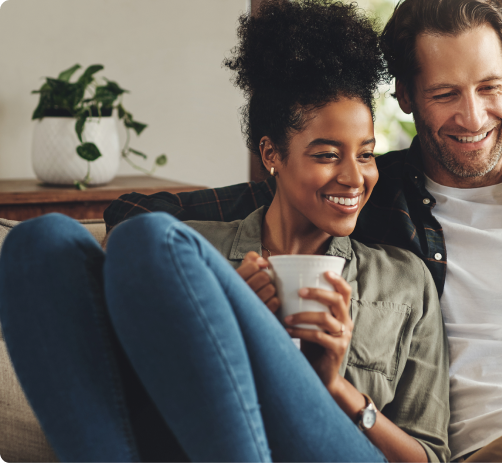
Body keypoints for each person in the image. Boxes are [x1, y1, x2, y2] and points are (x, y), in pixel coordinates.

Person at [102, 0, 502, 462]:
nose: (474, 115)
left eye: (488, 87)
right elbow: (141, 224)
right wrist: (226, 282)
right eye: (446, 94)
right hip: (486, 449)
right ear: (405, 96)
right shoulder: (366, 193)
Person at [0, 1, 449, 462]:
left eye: (367, 154)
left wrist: (334, 387)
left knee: (148, 239)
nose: (355, 178)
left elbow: (430, 457)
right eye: (327, 155)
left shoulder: (404, 281)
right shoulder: (198, 258)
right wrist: (222, 320)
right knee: (37, 244)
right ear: (272, 154)